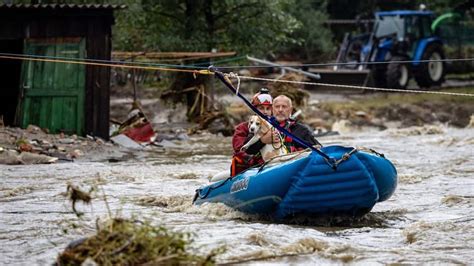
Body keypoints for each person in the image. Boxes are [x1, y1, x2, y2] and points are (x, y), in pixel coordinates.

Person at [231, 88, 280, 176]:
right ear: (254, 110)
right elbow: (240, 150)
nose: (265, 112)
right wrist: (262, 141)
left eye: (268, 108)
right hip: (250, 170)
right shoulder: (242, 128)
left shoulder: (278, 127)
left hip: (274, 165)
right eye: (261, 108)